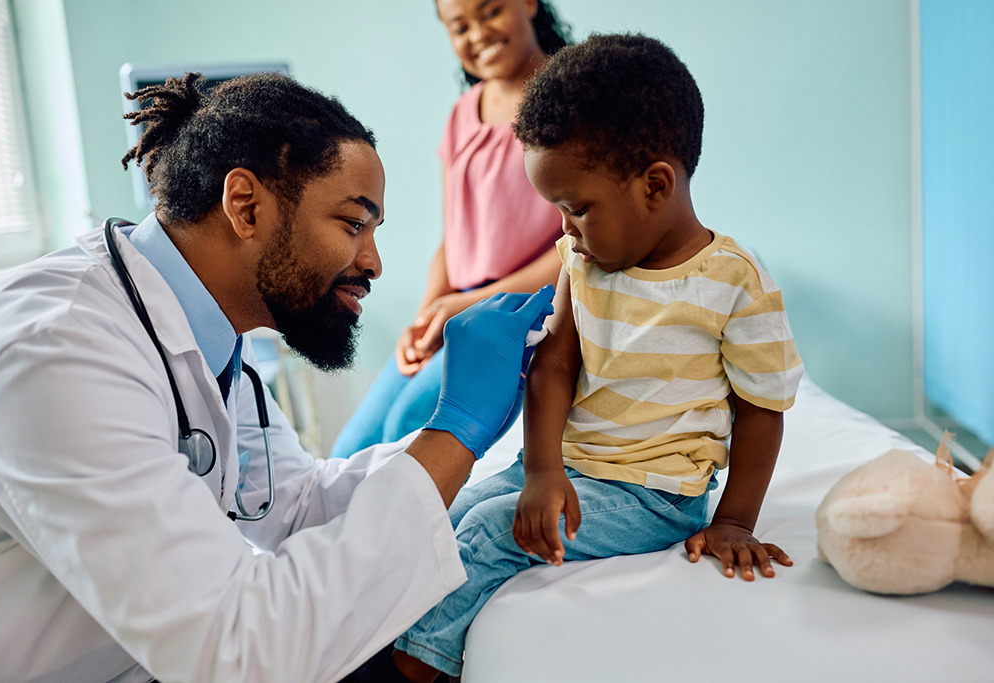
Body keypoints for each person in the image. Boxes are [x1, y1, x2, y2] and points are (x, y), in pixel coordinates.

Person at [0, 71, 554, 683]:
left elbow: (299, 504)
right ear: (246, 206)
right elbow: (236, 650)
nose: (373, 263)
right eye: (351, 224)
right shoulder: (60, 349)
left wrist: (500, 465)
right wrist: (456, 429)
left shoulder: (210, 337)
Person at [345, 33, 805, 682]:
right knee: (446, 515)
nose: (564, 230)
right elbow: (554, 367)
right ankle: (361, 631)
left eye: (577, 209)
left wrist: (732, 519)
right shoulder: (581, 264)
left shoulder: (734, 281)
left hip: (651, 496)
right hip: (570, 468)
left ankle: (412, 669)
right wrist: (540, 472)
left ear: (655, 185)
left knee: (491, 533)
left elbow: (763, 408)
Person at [330, 0, 571, 458]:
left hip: (522, 308)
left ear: (528, 3)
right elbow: (453, 238)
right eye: (460, 26)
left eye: (491, 11)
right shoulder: (463, 114)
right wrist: (426, 318)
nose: (478, 33)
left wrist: (466, 304)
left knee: (407, 430)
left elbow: (576, 246)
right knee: (349, 449)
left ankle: (399, 530)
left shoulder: (569, 103)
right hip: (459, 307)